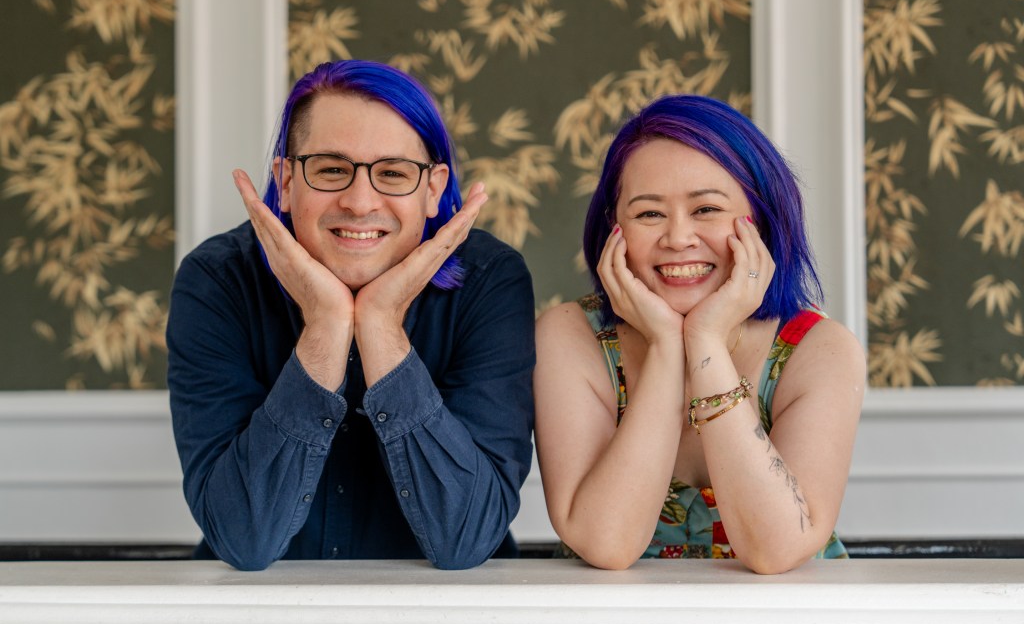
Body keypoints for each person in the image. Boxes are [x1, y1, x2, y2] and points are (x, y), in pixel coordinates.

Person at [167, 60, 535, 571]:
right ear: (286, 181)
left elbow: (465, 537)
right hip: (261, 606)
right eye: (332, 169)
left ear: (433, 190)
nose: (360, 202)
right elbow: (244, 538)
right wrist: (326, 328)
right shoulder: (217, 281)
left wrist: (380, 325)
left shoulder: (490, 280)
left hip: (447, 608)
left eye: (393, 173)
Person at [534, 95, 864, 574]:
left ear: (761, 221)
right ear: (614, 228)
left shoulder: (819, 351)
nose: (678, 238)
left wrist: (706, 341)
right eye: (649, 214)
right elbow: (608, 544)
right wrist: (668, 346)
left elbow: (774, 551)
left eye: (706, 208)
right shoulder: (570, 337)